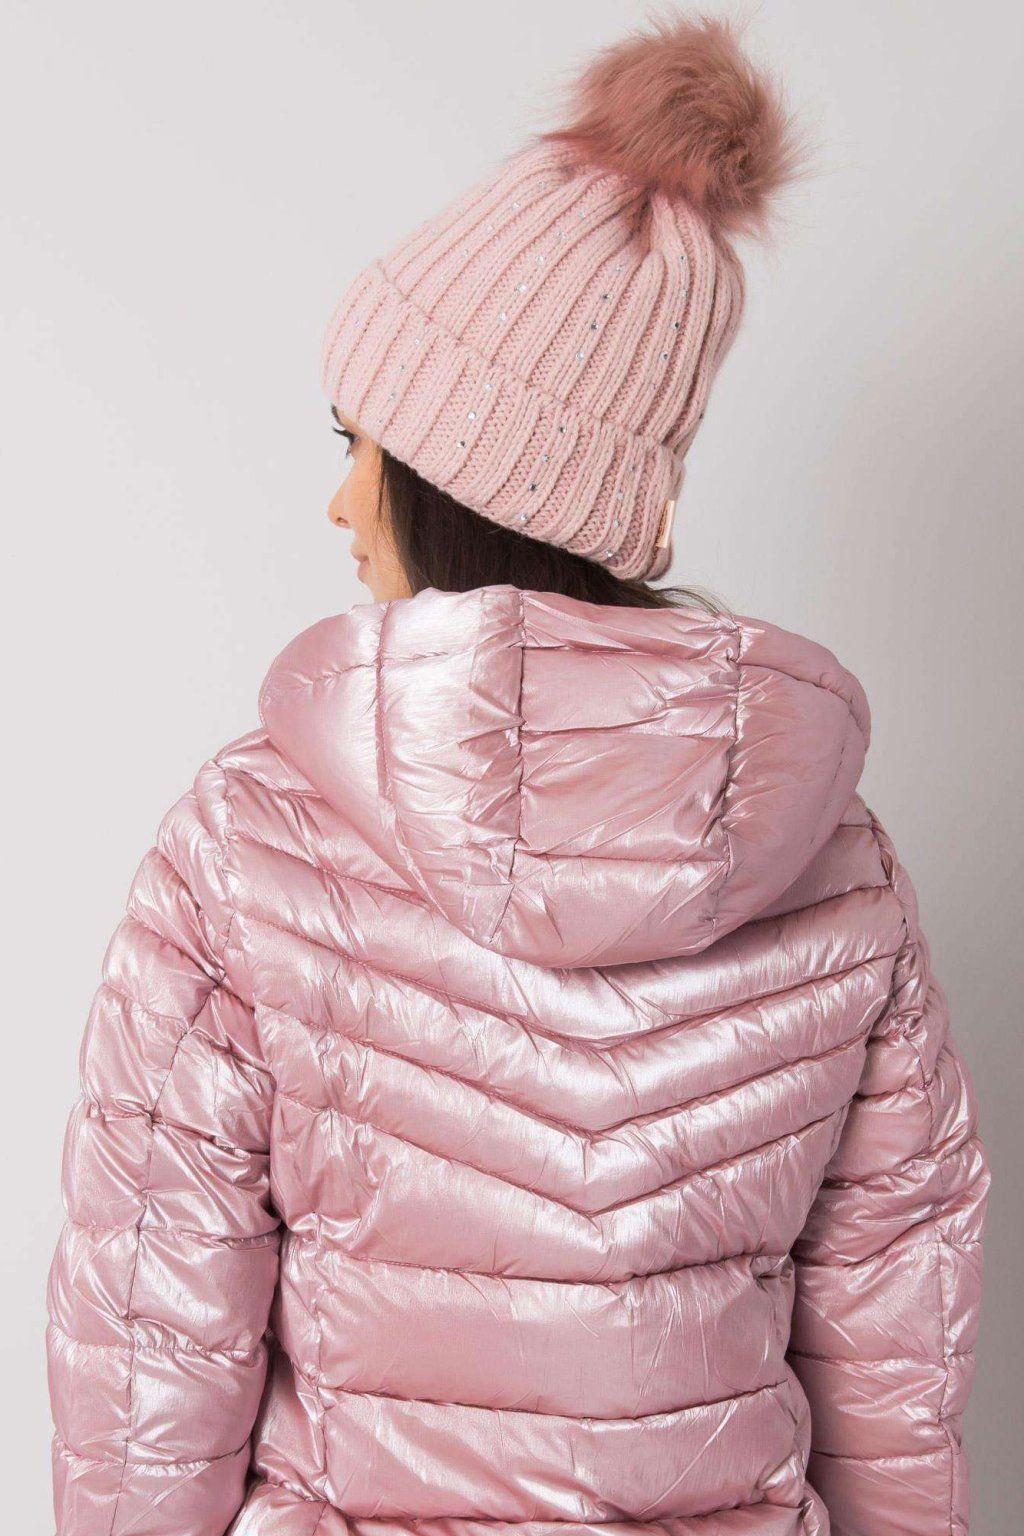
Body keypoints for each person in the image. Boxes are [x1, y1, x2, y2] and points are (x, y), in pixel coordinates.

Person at [46, 15, 988, 1536]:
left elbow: (157, 1341)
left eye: (363, 445)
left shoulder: (248, 842)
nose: (342, 502)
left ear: (460, 480)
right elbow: (897, 1351)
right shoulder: (835, 861)